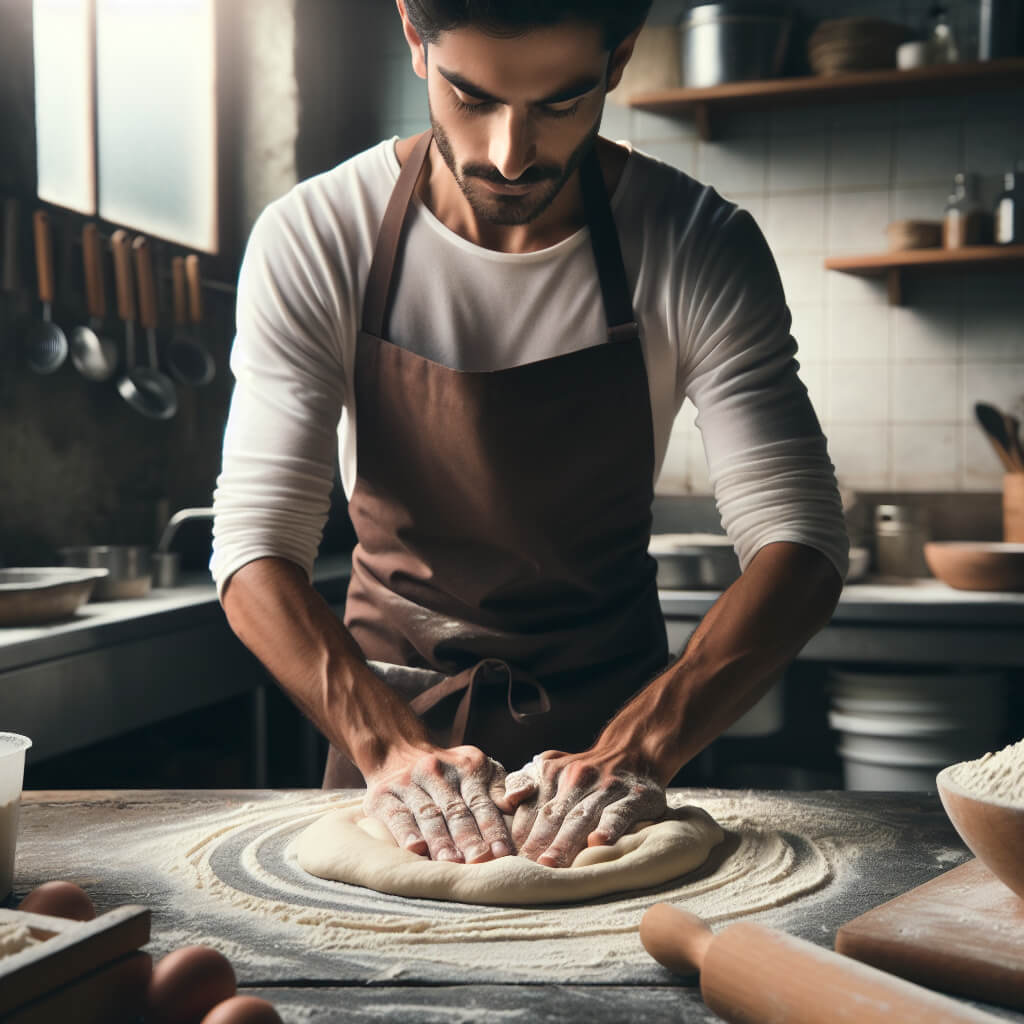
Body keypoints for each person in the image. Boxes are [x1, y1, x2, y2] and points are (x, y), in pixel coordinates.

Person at [212, 0, 848, 871]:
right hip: (391, 740)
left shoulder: (697, 243)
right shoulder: (319, 236)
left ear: (618, 59)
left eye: (559, 103)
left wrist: (645, 745)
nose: (510, 152)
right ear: (413, 39)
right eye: (471, 97)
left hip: (618, 740)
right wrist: (387, 747)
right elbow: (253, 546)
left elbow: (800, 540)